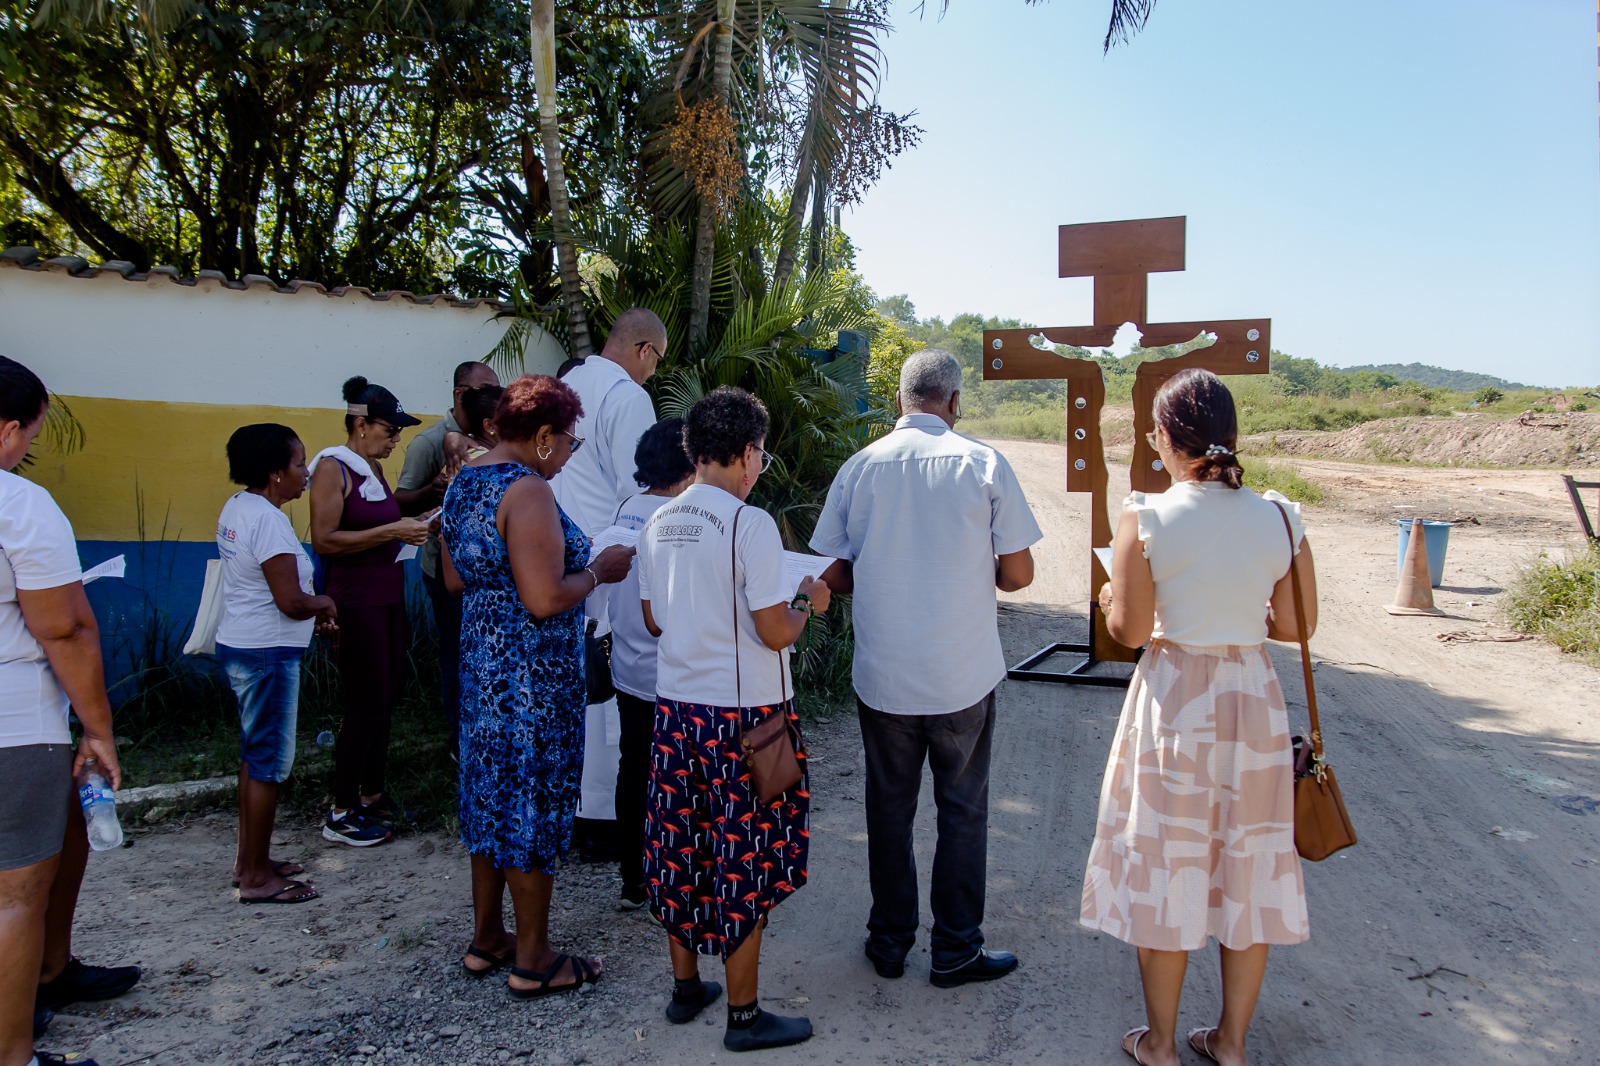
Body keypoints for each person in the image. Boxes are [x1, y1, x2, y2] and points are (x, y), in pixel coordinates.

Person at [1080, 368, 1318, 1066]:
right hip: (1251, 698)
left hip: (1177, 697)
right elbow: (1300, 624)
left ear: (1161, 439)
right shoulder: (1280, 515)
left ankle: (1159, 1043)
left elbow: (1128, 631)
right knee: (1249, 863)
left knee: (1167, 862)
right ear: (1232, 435)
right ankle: (1233, 1043)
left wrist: (1107, 598)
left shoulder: (1145, 517)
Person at [809, 349, 1041, 988]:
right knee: (962, 807)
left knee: (889, 807)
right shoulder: (984, 463)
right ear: (955, 402)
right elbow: (1019, 573)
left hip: (885, 675)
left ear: (900, 401)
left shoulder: (860, 469)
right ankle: (956, 949)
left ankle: (889, 943)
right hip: (962, 673)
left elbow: (829, 572)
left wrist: (881, 569)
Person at [637, 387, 830, 1052]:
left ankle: (686, 989)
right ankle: (745, 1017)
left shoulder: (657, 522)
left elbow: (653, 618)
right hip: (745, 721)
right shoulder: (749, 525)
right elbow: (776, 632)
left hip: (675, 713)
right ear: (749, 454)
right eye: (761, 456)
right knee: (743, 854)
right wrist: (810, 600)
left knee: (679, 846)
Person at [438, 374, 634, 996]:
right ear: (544, 437)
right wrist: (598, 572)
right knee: (532, 802)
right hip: (532, 681)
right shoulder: (527, 492)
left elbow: (454, 579)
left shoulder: (464, 483)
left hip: (482, 669)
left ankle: (486, 938)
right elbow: (546, 597)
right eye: (570, 442)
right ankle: (534, 957)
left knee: (488, 798)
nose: (571, 453)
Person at [0, 354, 124, 1066]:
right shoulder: (18, 504)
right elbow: (65, 626)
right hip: (15, 727)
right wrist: (98, 730)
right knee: (15, 894)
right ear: (10, 429)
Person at [550, 309, 667, 850]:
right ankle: (605, 821)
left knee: (581, 687)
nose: (653, 373)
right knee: (614, 686)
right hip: (613, 557)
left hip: (558, 553)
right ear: (644, 350)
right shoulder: (627, 398)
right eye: (657, 361)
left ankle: (575, 808)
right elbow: (641, 482)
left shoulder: (566, 384)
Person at [216, 424, 338, 904]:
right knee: (267, 763)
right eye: (298, 464)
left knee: (254, 756)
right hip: (266, 654)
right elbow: (289, 600)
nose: (305, 473)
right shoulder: (266, 520)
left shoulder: (239, 509)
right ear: (273, 473)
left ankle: (251, 860)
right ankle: (255, 879)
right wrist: (325, 603)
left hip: (245, 645)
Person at [308, 376, 429, 847]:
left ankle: (372, 795)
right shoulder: (333, 468)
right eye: (389, 428)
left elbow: (386, 517)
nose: (395, 438)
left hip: (389, 598)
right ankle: (340, 810)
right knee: (363, 704)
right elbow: (326, 539)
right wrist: (391, 533)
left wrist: (419, 517)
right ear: (360, 424)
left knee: (384, 698)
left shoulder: (372, 469)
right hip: (355, 602)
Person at [601, 418, 694, 909]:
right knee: (680, 777)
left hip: (629, 668)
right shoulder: (684, 519)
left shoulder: (628, 507)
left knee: (633, 767)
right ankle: (676, 877)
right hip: (674, 674)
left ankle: (632, 878)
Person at [396, 362, 500, 736]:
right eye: (485, 389)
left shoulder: (491, 441)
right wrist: (434, 493)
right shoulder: (430, 441)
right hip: (442, 567)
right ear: (460, 394)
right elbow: (401, 501)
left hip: (482, 574)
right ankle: (458, 733)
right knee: (455, 652)